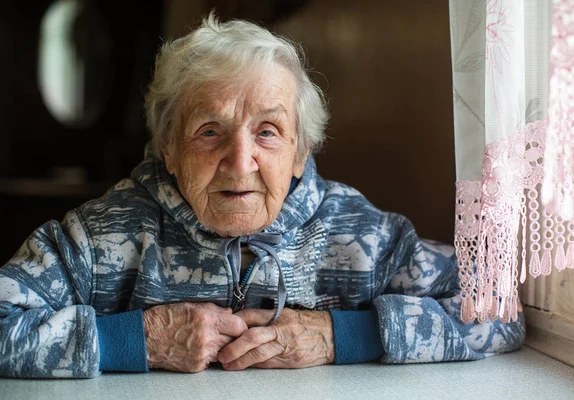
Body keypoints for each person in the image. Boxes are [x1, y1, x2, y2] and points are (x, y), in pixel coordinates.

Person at [0, 14, 524, 378]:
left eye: (268, 131)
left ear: (300, 151)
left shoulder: (359, 234)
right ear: (168, 146)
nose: (240, 160)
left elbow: (498, 313)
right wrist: (140, 340)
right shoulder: (101, 235)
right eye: (209, 130)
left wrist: (342, 336)